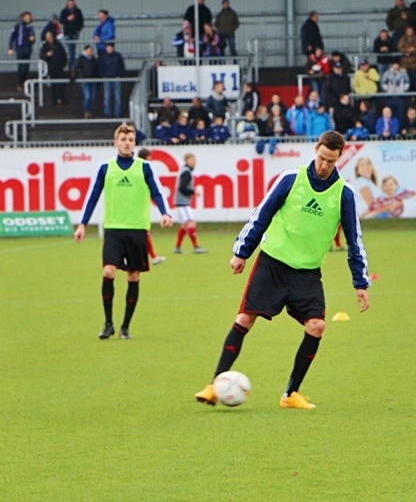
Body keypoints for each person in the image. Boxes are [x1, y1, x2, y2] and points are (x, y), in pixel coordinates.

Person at [193, 131, 370, 409]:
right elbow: (261, 215)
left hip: (307, 273)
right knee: (245, 318)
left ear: (339, 158)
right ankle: (215, 385)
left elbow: (354, 240)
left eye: (331, 161)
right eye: (321, 158)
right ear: (316, 149)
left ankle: (290, 394)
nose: (324, 165)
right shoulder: (291, 178)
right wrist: (242, 252)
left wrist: (360, 282)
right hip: (272, 264)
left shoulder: (344, 194)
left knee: (317, 326)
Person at [73, 124, 173, 339]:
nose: (127, 143)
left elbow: (157, 190)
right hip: (113, 230)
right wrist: (83, 224)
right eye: (123, 139)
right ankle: (108, 323)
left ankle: (125, 326)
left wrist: (166, 213)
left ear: (134, 143)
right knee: (108, 271)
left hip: (137, 230)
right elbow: (93, 196)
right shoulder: (105, 168)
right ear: (115, 142)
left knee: (133, 276)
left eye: (130, 139)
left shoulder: (144, 167)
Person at [172, 153, 208, 255]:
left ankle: (177, 247)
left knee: (185, 225)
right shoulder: (186, 172)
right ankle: (196, 247)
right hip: (182, 202)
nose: (195, 161)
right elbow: (182, 188)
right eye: (193, 159)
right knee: (191, 222)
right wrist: (193, 192)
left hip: (181, 202)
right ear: (187, 160)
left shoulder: (185, 171)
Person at [7, 11, 35, 90]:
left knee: (26, 67)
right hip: (20, 49)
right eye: (27, 17)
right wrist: (10, 48)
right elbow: (12, 37)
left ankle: (24, 82)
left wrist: (32, 40)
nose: (29, 19)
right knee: (21, 67)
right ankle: (19, 83)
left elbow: (33, 39)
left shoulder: (30, 27)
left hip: (28, 49)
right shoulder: (17, 26)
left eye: (29, 17)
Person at [39, 31, 68, 106]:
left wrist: (63, 64)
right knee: (53, 85)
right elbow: (42, 56)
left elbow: (64, 55)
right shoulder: (45, 46)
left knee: (61, 84)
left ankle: (62, 99)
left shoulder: (58, 45)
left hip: (59, 68)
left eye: (51, 37)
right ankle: (54, 100)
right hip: (51, 68)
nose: (50, 39)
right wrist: (47, 55)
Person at [98, 43, 125, 118]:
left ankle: (117, 113)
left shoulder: (118, 56)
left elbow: (121, 66)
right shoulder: (103, 57)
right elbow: (101, 67)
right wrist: (103, 76)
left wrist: (119, 75)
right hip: (107, 78)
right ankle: (107, 113)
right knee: (107, 97)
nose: (109, 49)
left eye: (110, 47)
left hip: (116, 78)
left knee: (118, 98)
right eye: (108, 47)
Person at [74, 45, 100, 118]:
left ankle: (90, 111)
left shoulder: (94, 59)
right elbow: (76, 68)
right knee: (87, 96)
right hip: (85, 80)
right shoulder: (81, 58)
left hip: (93, 80)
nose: (90, 52)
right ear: (85, 51)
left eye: (91, 50)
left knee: (92, 97)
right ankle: (87, 111)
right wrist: (79, 76)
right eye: (89, 50)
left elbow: (97, 69)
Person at [60, 0, 84, 69]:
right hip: (67, 32)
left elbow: (81, 21)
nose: (71, 5)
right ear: (67, 4)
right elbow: (61, 20)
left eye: (72, 3)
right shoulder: (64, 11)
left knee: (73, 49)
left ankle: (72, 64)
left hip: (75, 32)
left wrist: (78, 29)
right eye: (70, 4)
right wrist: (68, 19)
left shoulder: (78, 11)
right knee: (70, 49)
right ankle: (71, 65)